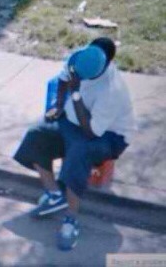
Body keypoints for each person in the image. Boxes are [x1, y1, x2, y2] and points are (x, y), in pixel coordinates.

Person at [13, 37, 135, 251]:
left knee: (78, 154)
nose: (76, 75)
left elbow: (91, 132)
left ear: (106, 64)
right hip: (73, 121)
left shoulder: (112, 91)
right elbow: (62, 79)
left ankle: (71, 219)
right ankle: (54, 195)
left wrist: (76, 92)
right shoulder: (80, 60)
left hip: (108, 135)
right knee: (36, 134)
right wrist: (58, 105)